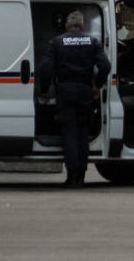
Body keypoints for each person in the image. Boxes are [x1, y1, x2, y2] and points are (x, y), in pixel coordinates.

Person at [37, 11, 111, 187]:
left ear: (66, 26)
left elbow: (45, 68)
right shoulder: (92, 42)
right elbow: (105, 66)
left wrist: (45, 90)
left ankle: (71, 177)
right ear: (82, 26)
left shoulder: (57, 42)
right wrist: (97, 85)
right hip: (85, 90)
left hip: (65, 90)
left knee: (69, 132)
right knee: (82, 132)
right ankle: (81, 176)